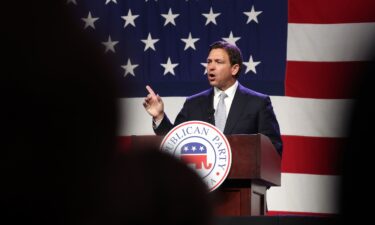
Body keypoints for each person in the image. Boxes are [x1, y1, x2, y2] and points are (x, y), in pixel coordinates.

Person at [143, 41, 282, 155]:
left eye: (218, 62)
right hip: (201, 186)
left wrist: (257, 184)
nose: (211, 67)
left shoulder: (258, 103)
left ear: (234, 69)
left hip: (242, 185)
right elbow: (174, 142)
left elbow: (273, 150)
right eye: (209, 62)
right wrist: (159, 117)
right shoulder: (193, 103)